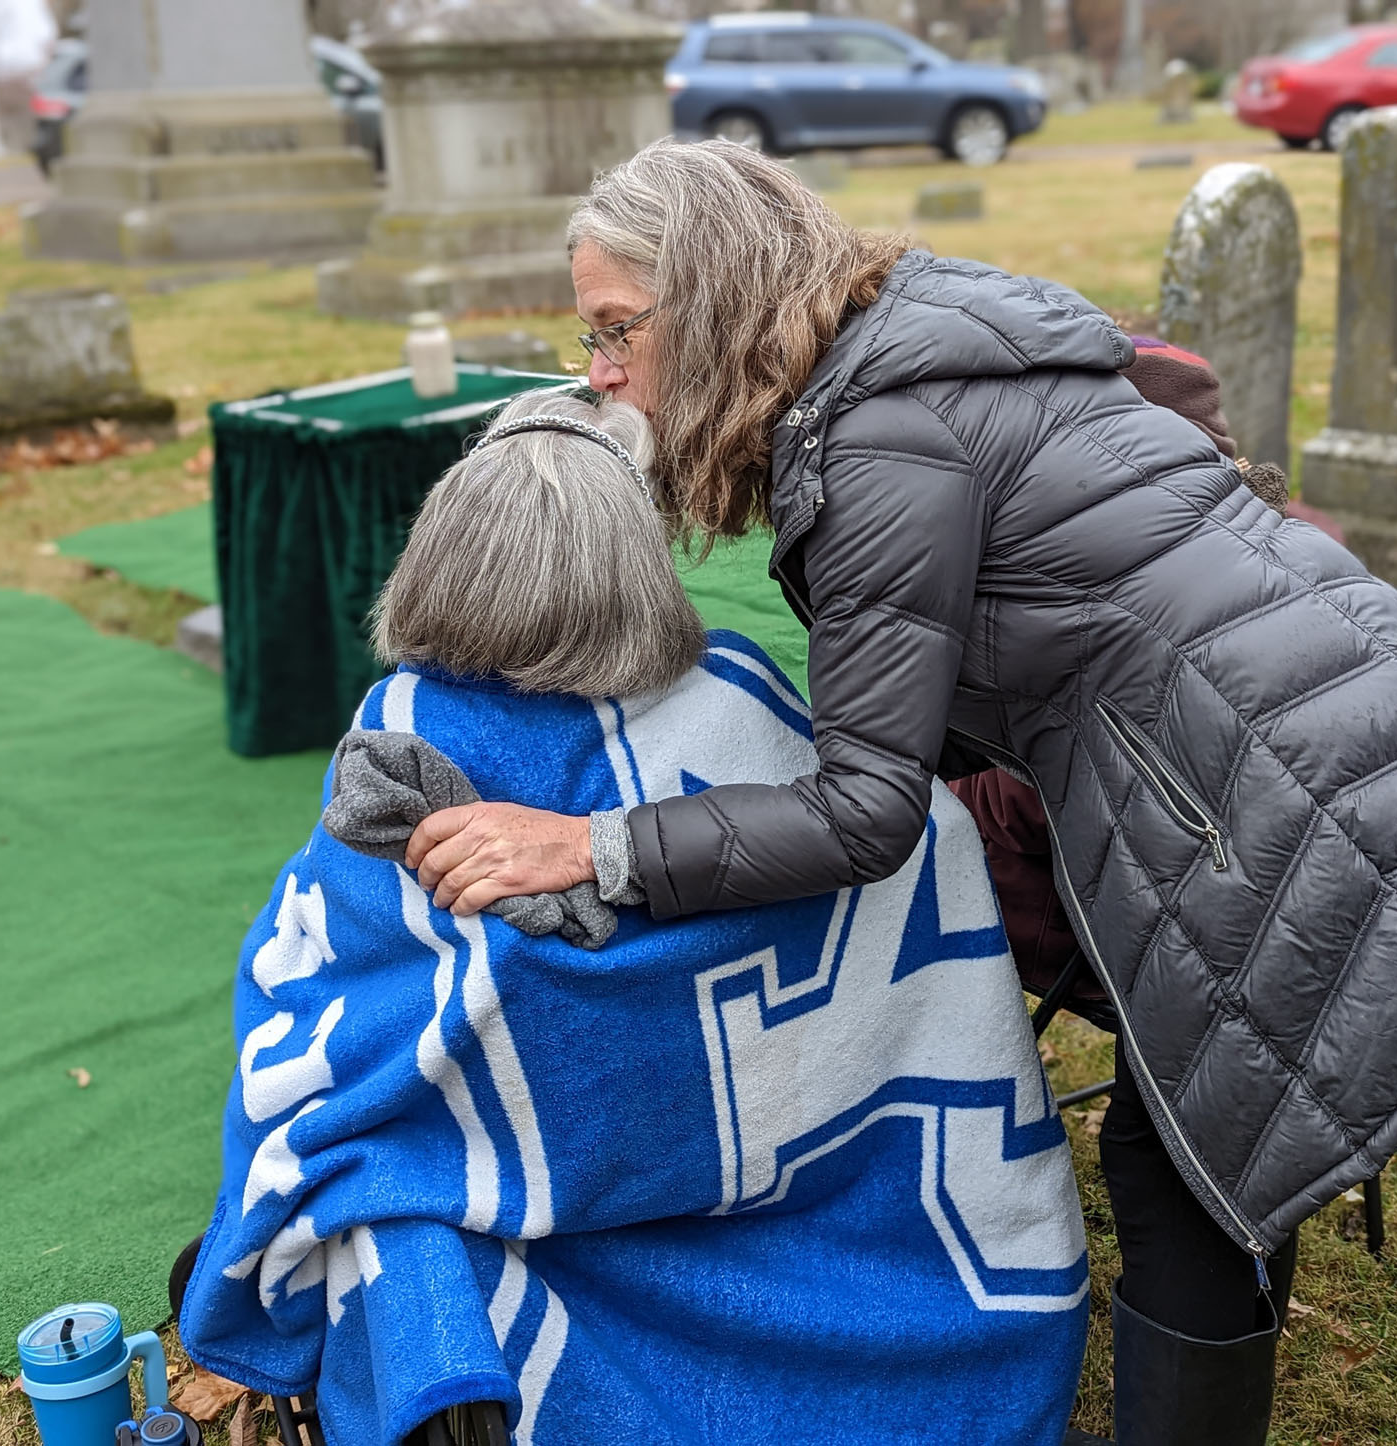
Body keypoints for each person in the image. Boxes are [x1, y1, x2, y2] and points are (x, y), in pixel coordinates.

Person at [404, 141, 1397, 1445]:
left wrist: (598, 840)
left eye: (614, 331)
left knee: (1187, 1167)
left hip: (1278, 784)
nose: (598, 373)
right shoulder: (914, 329)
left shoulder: (874, 431)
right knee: (1211, 1143)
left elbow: (865, 810)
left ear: (708, 299)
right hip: (1339, 718)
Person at [178, 389, 1092, 1446]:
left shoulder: (403, 730)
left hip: (551, 1197)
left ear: (438, 556)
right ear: (639, 566)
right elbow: (915, 843)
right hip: (830, 1203)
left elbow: (318, 990)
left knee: (381, 1189)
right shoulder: (740, 684)